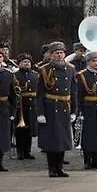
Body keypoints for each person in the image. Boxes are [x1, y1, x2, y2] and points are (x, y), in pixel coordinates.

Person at [36, 42, 75, 178]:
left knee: (62, 139)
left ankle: (60, 168)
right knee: (51, 139)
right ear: (51, 54)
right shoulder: (44, 70)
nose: (59, 55)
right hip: (50, 107)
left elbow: (73, 91)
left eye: (61, 53)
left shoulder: (70, 69)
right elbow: (40, 93)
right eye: (56, 53)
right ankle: (52, 168)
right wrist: (40, 113)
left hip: (64, 107)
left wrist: (74, 111)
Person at [73, 52, 97, 170]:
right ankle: (87, 161)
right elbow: (78, 95)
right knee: (88, 136)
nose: (96, 63)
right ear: (88, 62)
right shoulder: (82, 76)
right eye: (93, 61)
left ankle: (96, 161)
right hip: (88, 109)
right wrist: (79, 112)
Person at [11, 53, 39, 160]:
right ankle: (20, 151)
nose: (27, 63)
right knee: (20, 130)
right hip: (21, 105)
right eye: (24, 62)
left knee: (29, 129)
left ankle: (27, 151)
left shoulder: (35, 75)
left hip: (32, 105)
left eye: (28, 62)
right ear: (19, 64)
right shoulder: (15, 75)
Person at [0, 50, 14, 171]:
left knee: (2, 136)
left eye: (1, 57)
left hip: (3, 108)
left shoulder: (8, 74)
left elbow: (12, 94)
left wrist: (13, 111)